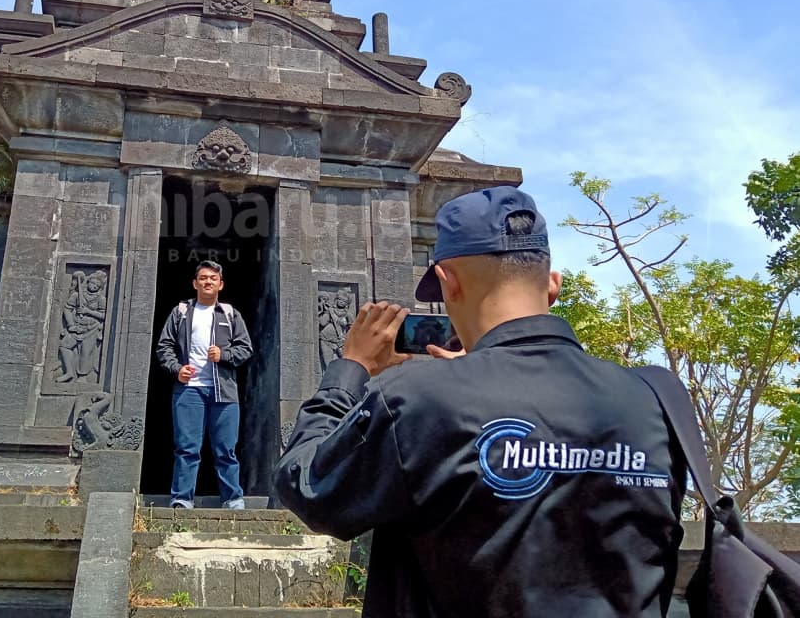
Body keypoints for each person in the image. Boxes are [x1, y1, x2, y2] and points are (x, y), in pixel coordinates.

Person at [273, 186, 686, 617]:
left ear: (448, 284)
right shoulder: (655, 399)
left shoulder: (420, 398)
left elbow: (307, 487)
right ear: (552, 286)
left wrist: (351, 369)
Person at [155, 260, 254, 509]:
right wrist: (177, 369)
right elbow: (164, 346)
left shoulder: (230, 314)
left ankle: (232, 498)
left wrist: (224, 355)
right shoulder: (181, 312)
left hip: (224, 391)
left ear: (221, 284)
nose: (207, 281)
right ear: (194, 283)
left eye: (212, 278)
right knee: (187, 448)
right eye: (202, 278)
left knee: (226, 449)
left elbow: (246, 349)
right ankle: (182, 498)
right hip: (189, 390)